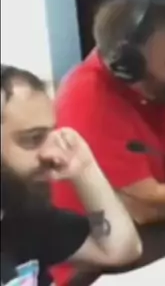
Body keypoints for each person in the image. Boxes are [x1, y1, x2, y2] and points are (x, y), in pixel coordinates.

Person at [1, 65, 142, 286]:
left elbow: (118, 249)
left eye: (52, 134)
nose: (52, 153)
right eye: (33, 138)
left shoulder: (22, 214)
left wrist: (84, 168)